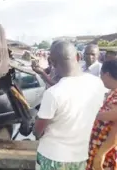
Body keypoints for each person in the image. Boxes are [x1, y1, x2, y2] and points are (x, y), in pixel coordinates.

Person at [33, 41, 107, 170]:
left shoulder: (53, 93)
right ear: (78, 57)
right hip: (79, 157)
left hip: (52, 158)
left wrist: (35, 129)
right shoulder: (97, 84)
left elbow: (37, 132)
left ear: (53, 63)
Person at [86, 60, 117, 170]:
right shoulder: (112, 92)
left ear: (107, 74)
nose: (101, 79)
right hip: (99, 146)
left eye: (101, 75)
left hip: (107, 151)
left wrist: (101, 154)